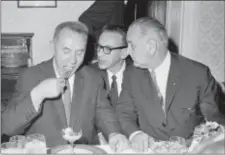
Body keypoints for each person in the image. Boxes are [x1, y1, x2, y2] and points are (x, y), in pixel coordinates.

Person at [1, 21, 129, 151]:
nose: (73, 60)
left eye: (79, 53)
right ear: (53, 46)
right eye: (66, 51)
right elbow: (8, 127)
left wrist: (114, 133)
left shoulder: (93, 77)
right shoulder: (30, 76)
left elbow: (103, 111)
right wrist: (38, 94)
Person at [115, 17, 225, 152]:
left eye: (132, 46)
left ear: (151, 46)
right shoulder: (132, 74)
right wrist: (135, 134)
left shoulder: (198, 74)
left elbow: (214, 123)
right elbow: (124, 111)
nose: (127, 52)